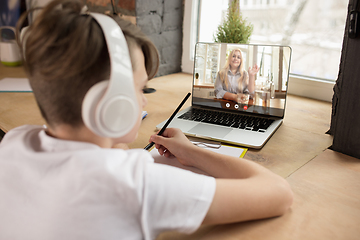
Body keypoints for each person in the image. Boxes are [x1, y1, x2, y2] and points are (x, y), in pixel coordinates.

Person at [0, 0, 293, 239]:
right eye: (140, 89)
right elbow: (278, 193)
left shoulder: (16, 141)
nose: (144, 101)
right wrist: (191, 152)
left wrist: (113, 148)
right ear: (111, 103)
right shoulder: (133, 184)